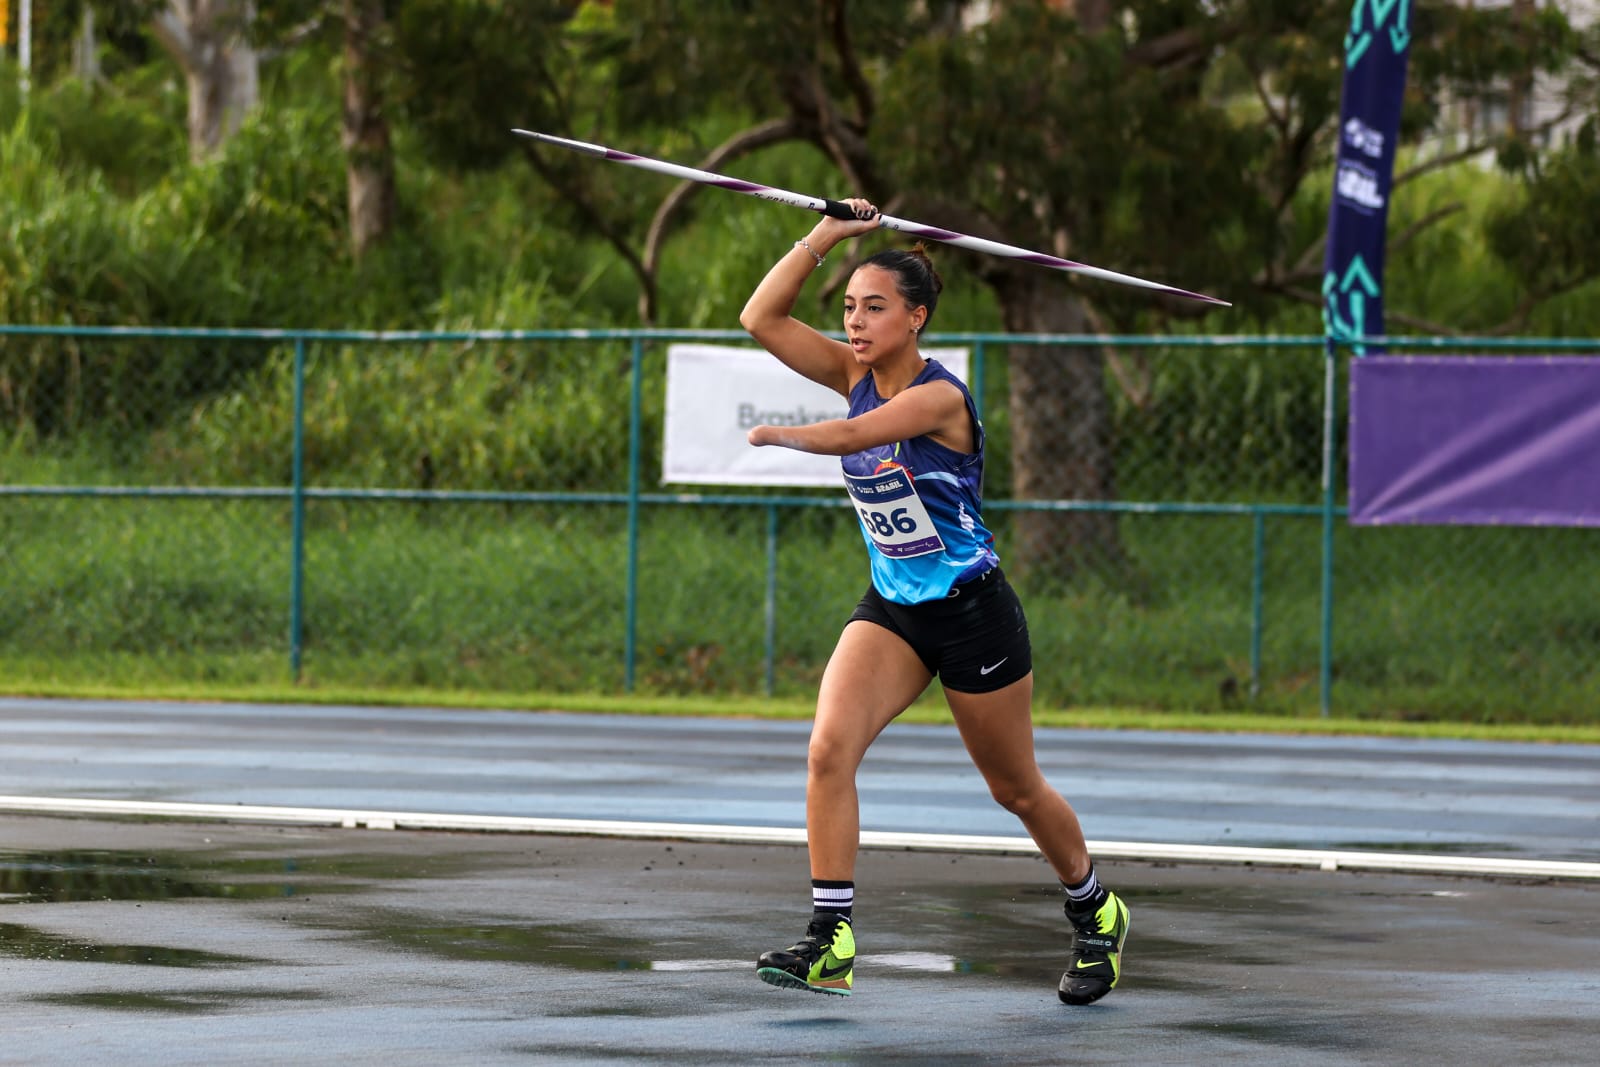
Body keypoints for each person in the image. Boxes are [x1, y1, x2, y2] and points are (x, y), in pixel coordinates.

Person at [738, 200, 1131, 1005]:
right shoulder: (852, 372)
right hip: (895, 608)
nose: (855, 322)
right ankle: (831, 937)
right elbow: (759, 316)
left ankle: (1097, 911)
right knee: (826, 751)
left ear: (917, 318)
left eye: (874, 307)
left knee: (1014, 787)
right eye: (848, 307)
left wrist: (784, 435)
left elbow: (856, 436)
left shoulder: (939, 398)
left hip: (972, 612)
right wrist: (829, 237)